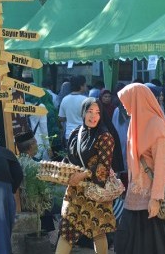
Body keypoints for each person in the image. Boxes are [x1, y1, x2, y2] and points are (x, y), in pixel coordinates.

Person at [115, 83, 165, 254]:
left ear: (137, 100)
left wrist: (156, 199)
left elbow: (162, 166)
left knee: (150, 247)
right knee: (128, 244)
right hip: (135, 198)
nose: (125, 106)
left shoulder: (156, 125)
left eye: (127, 102)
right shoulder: (135, 125)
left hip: (151, 203)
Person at [55, 97, 118, 254]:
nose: (93, 116)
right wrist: (62, 170)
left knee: (98, 232)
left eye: (97, 112)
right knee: (67, 231)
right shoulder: (77, 132)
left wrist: (81, 176)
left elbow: (103, 168)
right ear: (83, 113)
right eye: (90, 111)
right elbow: (70, 157)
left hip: (95, 191)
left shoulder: (105, 137)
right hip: (75, 191)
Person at [58, 75, 87, 145]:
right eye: (85, 85)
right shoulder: (86, 100)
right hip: (83, 135)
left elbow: (61, 118)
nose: (86, 87)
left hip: (69, 135)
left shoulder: (65, 99)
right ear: (81, 86)